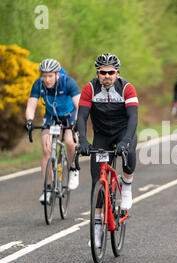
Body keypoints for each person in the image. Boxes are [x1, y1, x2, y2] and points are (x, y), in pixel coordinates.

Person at [76, 53, 138, 245]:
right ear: (98, 73)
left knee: (130, 155)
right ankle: (96, 229)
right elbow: (81, 117)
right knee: (97, 182)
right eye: (103, 72)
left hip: (123, 132)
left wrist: (126, 141)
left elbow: (133, 118)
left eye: (111, 72)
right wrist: (84, 141)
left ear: (117, 73)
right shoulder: (90, 88)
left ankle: (126, 187)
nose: (107, 76)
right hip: (102, 135)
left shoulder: (127, 88)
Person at [24, 58, 80, 204]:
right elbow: (31, 105)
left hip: (69, 116)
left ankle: (73, 169)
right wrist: (29, 120)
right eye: (44, 75)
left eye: (50, 76)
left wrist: (77, 122)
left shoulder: (68, 82)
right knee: (46, 149)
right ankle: (48, 189)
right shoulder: (38, 84)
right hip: (51, 117)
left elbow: (79, 104)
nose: (47, 79)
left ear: (57, 75)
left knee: (69, 141)